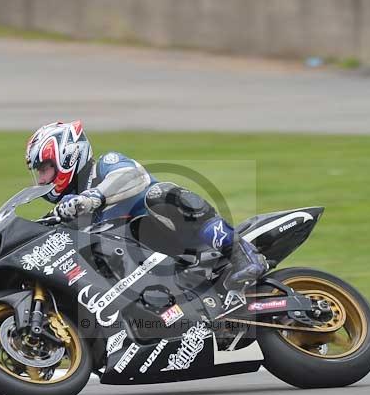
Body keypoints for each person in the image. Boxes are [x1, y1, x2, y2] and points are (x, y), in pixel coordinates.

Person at [24, 120, 268, 288]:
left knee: (161, 194)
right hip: (153, 272)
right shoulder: (67, 208)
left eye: (45, 168)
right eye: (40, 172)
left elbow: (131, 176)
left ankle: (240, 252)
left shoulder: (106, 165)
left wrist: (92, 198)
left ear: (67, 155)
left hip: (182, 238)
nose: (43, 179)